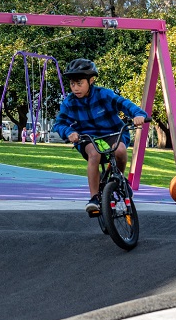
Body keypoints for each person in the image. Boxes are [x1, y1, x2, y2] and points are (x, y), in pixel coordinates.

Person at [53, 58, 147, 217]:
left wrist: (138, 115)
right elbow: (59, 123)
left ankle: (119, 179)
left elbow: (124, 104)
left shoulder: (104, 94)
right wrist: (69, 132)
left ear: (91, 80)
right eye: (72, 84)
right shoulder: (69, 102)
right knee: (94, 154)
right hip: (87, 137)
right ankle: (95, 198)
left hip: (112, 133)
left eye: (79, 83)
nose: (75, 88)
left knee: (121, 151)